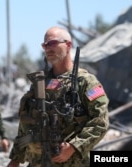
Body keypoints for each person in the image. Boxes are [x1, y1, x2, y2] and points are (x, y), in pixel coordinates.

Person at [7, 26, 109, 167]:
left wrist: (73, 147)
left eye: (53, 43)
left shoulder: (85, 82)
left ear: (68, 45)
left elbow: (100, 122)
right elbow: (25, 124)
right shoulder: (39, 82)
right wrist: (15, 159)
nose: (48, 48)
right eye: (45, 44)